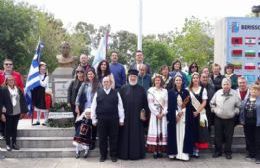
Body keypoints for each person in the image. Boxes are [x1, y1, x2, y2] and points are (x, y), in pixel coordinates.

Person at [91, 76, 125, 162]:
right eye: (104, 82)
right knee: (102, 138)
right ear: (102, 83)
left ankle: (113, 155)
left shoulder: (116, 93)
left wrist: (121, 119)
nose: (106, 83)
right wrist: (93, 119)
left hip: (114, 119)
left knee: (114, 138)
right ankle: (103, 155)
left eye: (107, 82)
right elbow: (93, 107)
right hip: (101, 119)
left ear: (110, 83)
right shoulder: (98, 93)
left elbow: (120, 107)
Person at [118, 69, 150, 160]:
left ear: (137, 78)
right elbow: (119, 104)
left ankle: (136, 154)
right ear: (129, 77)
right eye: (131, 76)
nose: (133, 78)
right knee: (125, 136)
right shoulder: (123, 88)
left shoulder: (141, 89)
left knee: (136, 136)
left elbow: (145, 103)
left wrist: (144, 111)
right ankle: (124, 154)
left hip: (137, 118)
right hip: (126, 117)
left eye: (134, 77)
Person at [210, 78, 241, 159]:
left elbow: (239, 106)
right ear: (222, 85)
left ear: (230, 85)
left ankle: (228, 152)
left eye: (227, 84)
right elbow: (211, 103)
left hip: (230, 119)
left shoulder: (235, 94)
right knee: (218, 136)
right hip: (218, 118)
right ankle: (218, 151)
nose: (226, 86)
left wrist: (235, 112)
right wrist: (214, 110)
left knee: (229, 136)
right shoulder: (217, 93)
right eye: (224, 84)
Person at [167, 74, 193, 161]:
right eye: (177, 80)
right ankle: (174, 153)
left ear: (182, 82)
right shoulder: (170, 92)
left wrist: (182, 112)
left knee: (183, 133)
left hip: (184, 116)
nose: (178, 81)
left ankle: (183, 154)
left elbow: (189, 105)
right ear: (174, 81)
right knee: (175, 134)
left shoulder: (186, 92)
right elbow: (170, 105)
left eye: (180, 80)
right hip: (174, 116)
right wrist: (176, 114)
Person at [0, 75, 27, 151]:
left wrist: (23, 111)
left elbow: (22, 100)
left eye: (12, 80)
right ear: (6, 81)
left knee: (14, 128)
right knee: (8, 129)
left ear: (14, 81)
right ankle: (8, 144)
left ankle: (14, 143)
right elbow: (1, 102)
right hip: (8, 112)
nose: (11, 81)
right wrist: (2, 113)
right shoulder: (3, 89)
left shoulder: (17, 89)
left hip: (17, 112)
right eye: (9, 80)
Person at [75, 68, 100, 150]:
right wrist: (77, 105)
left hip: (95, 108)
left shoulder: (98, 84)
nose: (90, 75)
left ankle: (93, 142)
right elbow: (78, 95)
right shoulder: (84, 84)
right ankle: (86, 142)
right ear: (87, 75)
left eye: (91, 74)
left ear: (94, 75)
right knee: (86, 125)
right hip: (86, 108)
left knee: (94, 125)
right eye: (88, 74)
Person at [146, 75, 168, 159]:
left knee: (161, 130)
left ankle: (160, 150)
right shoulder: (151, 91)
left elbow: (166, 104)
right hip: (154, 113)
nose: (157, 81)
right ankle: (155, 151)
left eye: (159, 80)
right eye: (156, 80)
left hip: (162, 113)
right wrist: (157, 113)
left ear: (161, 81)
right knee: (155, 131)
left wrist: (163, 113)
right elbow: (150, 104)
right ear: (154, 81)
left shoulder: (165, 91)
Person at [189, 72, 209, 157]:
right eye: (194, 78)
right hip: (190, 113)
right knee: (191, 131)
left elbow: (204, 102)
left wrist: (197, 112)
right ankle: (191, 149)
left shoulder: (203, 89)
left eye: (197, 78)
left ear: (199, 79)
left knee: (199, 132)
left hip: (199, 114)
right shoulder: (188, 89)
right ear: (192, 79)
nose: (195, 79)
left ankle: (196, 150)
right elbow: (186, 101)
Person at [239, 84, 260, 164]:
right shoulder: (246, 100)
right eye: (252, 90)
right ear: (250, 91)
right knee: (249, 139)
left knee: (258, 140)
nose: (254, 91)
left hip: (257, 124)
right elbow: (242, 111)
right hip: (247, 123)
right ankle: (252, 154)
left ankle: (258, 157)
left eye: (256, 90)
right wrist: (242, 120)